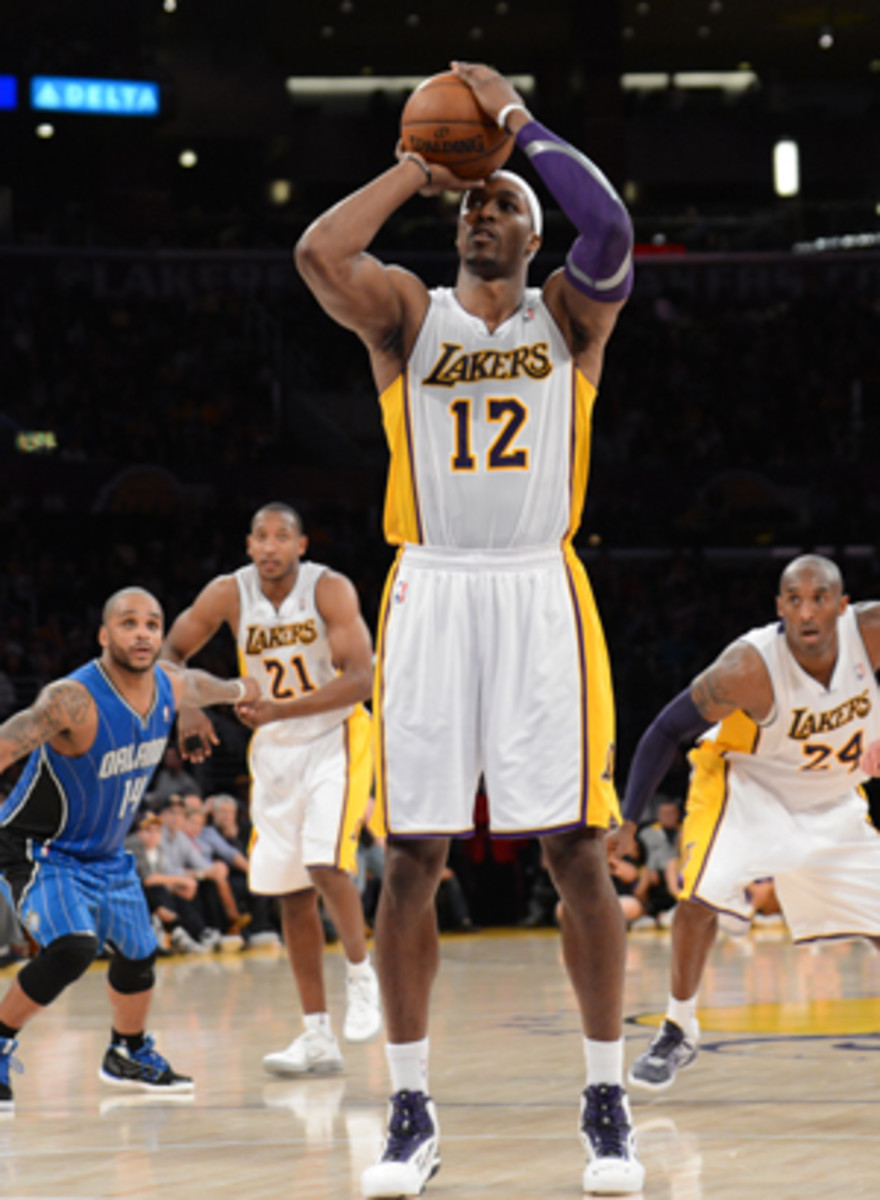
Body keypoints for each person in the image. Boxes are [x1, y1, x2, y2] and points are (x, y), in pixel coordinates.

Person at [295, 60, 642, 1197]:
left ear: (532, 231)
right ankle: (408, 1108)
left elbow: (609, 219)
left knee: (576, 849)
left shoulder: (572, 314)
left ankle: (605, 1099)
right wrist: (416, 165)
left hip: (541, 589)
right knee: (410, 857)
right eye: (475, 202)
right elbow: (316, 255)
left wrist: (515, 128)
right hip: (432, 588)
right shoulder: (408, 311)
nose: (485, 212)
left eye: (503, 202)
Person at [616, 554, 880, 1092]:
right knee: (700, 894)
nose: (807, 612)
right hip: (746, 789)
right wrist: (626, 819)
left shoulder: (871, 634)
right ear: (780, 606)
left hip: (830, 797)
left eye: (820, 599)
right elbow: (665, 731)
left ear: (842, 606)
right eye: (795, 600)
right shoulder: (748, 667)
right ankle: (677, 1027)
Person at [0, 587, 260, 1109]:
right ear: (104, 635)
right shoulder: (71, 698)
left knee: (140, 953)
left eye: (152, 624)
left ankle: (128, 1051)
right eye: (128, 623)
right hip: (42, 848)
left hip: (106, 855)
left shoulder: (166, 683)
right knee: (73, 947)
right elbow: (9, 737)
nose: (142, 633)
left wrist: (241, 688)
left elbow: (198, 684)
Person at [161, 502, 382, 1075]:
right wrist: (187, 705)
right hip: (277, 751)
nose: (270, 546)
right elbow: (171, 654)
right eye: (260, 536)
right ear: (249, 543)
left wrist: (282, 706)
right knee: (290, 893)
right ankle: (317, 1037)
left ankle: (363, 978)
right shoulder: (228, 593)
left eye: (282, 536)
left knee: (326, 864)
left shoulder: (329, 590)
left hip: (336, 737)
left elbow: (362, 680)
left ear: (301, 545)